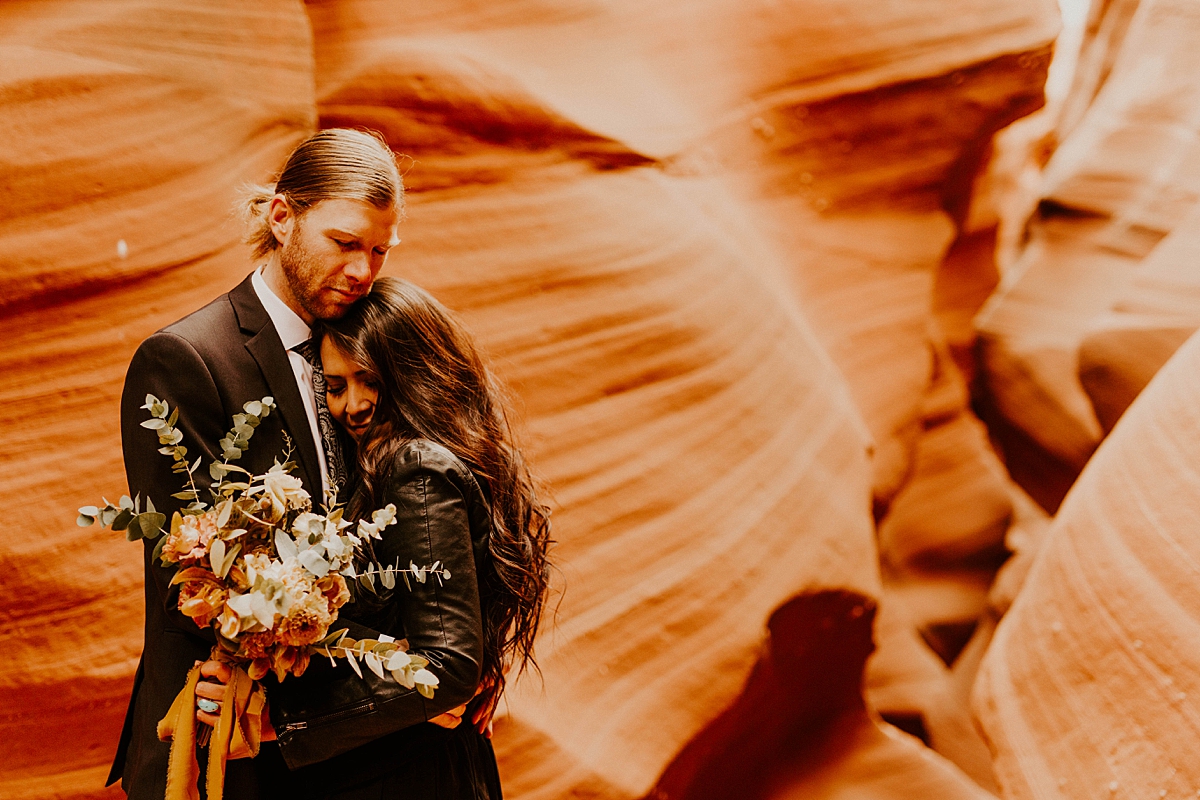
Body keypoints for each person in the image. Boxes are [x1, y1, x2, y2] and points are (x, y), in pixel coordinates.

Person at [108, 128, 405, 800]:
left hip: (338, 744)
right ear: (281, 217)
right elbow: (198, 576)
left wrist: (451, 659)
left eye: (379, 250)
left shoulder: (371, 352)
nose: (364, 270)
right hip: (219, 742)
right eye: (345, 242)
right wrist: (408, 677)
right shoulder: (186, 360)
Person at [198, 277, 553, 799]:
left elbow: (449, 664)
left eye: (370, 379)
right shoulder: (386, 465)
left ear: (414, 373)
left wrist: (283, 722)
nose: (355, 405)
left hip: (413, 775)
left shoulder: (415, 468)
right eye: (336, 387)